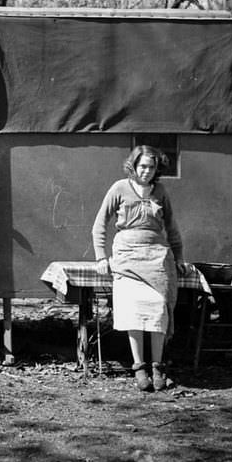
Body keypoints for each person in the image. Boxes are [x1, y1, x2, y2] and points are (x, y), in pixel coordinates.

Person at [91, 145, 185, 391]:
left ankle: (157, 366)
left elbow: (172, 229)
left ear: (157, 169)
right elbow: (100, 224)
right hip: (127, 258)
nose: (146, 171)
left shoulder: (160, 191)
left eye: (151, 167)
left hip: (156, 258)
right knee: (133, 310)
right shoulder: (119, 188)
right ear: (133, 165)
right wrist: (101, 257)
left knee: (157, 310)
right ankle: (139, 367)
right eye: (142, 166)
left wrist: (179, 257)